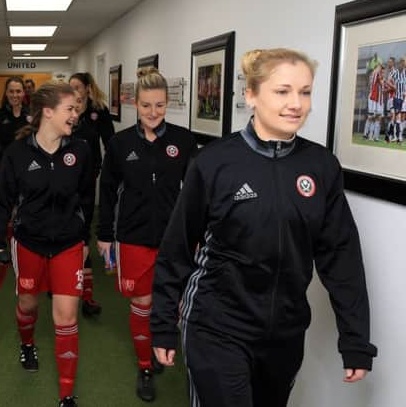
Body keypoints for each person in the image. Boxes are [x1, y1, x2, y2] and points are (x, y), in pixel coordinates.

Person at [151, 48, 378, 407]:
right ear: (251, 95)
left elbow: (341, 257)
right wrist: (162, 323)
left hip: (285, 334)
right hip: (217, 326)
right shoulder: (213, 163)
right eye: (282, 91)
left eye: (305, 92)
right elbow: (177, 247)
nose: (296, 103)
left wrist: (355, 340)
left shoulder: (321, 166)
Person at [0, 81, 94, 407]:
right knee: (28, 305)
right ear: (48, 111)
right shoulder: (17, 154)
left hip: (68, 243)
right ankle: (28, 343)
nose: (75, 115)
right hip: (29, 242)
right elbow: (2, 202)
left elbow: (88, 197)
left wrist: (85, 236)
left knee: (66, 316)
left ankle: (66, 394)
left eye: (76, 109)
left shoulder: (81, 150)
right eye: (70, 109)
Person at [96, 68, 198, 402]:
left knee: (173, 302)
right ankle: (144, 365)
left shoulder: (183, 141)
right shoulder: (120, 143)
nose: (152, 113)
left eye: (158, 105)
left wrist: (197, 233)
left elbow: (197, 194)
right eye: (145, 106)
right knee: (141, 304)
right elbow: (108, 191)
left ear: (168, 103)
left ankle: (165, 346)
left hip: (174, 239)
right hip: (132, 237)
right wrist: (104, 234)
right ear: (134, 105)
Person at [70, 72, 116, 316]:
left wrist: (110, 171)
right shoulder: (63, 118)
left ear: (87, 90)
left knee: (82, 234)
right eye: (71, 89)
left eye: (78, 89)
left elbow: (111, 143)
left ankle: (87, 296)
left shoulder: (97, 115)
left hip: (87, 181)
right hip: (62, 185)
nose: (75, 93)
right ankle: (57, 280)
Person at [70, 91, 103, 317]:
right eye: (70, 105)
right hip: (57, 205)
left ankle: (87, 297)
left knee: (83, 245)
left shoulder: (89, 134)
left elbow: (96, 164)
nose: (75, 109)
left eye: (79, 103)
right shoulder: (54, 132)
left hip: (82, 199)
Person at [0, 76, 29, 187]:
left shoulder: (32, 114)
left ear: (23, 93)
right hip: (4, 166)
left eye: (18, 91)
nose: (15, 95)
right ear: (6, 93)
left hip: (29, 167)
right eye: (11, 91)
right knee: (5, 202)